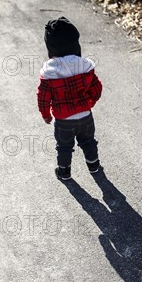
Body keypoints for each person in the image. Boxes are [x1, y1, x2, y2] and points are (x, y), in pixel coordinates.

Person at [37, 16, 103, 180]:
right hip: (86, 117)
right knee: (88, 142)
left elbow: (43, 98)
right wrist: (89, 102)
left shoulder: (49, 73)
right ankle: (93, 165)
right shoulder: (85, 66)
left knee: (64, 147)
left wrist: (46, 114)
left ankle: (64, 171)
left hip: (63, 121)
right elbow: (97, 88)